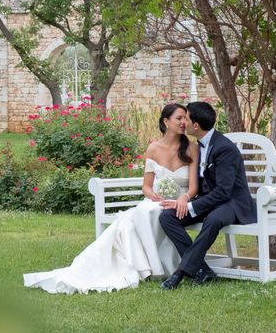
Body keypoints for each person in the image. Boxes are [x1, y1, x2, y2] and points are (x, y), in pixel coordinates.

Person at [23, 103, 199, 294]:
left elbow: (193, 187)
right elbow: (146, 186)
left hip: (180, 202)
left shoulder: (191, 148)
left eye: (185, 118)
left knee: (148, 214)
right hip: (156, 200)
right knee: (143, 212)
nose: (183, 123)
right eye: (179, 118)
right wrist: (153, 196)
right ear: (166, 121)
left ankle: (156, 266)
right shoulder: (153, 149)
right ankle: (146, 267)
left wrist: (184, 198)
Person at [159, 101, 257, 289]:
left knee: (212, 219)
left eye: (186, 118)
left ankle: (180, 273)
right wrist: (184, 199)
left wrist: (191, 206)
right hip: (209, 202)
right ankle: (203, 270)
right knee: (168, 217)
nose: (183, 122)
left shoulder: (223, 148)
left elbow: (223, 192)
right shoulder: (199, 145)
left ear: (195, 125)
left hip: (232, 203)